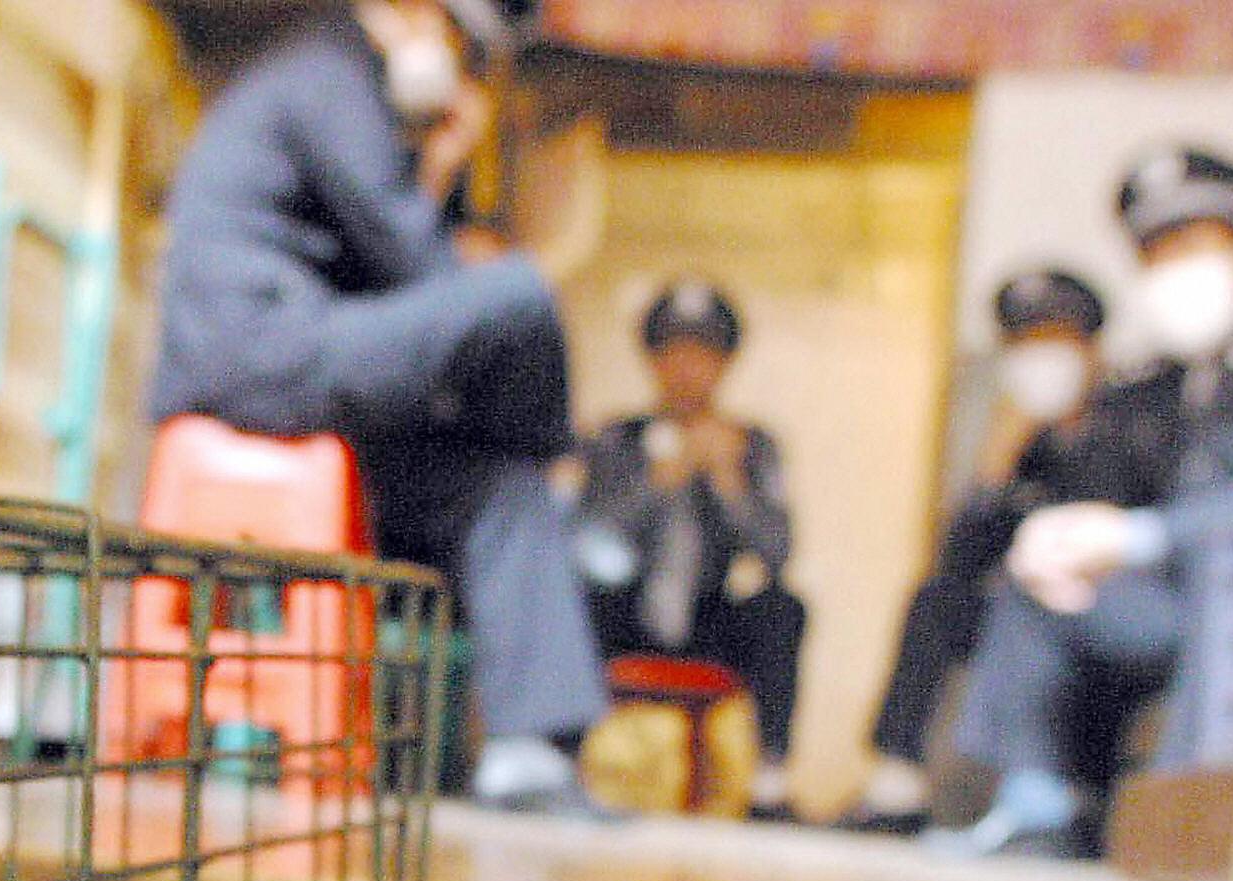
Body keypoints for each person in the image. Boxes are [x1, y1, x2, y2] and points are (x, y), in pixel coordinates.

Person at [148, 0, 614, 817]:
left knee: (493, 482)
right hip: (260, 352)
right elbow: (421, 268)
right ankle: (556, 463)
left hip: (312, 357)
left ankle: (529, 752)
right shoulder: (328, 74)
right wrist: (445, 156)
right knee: (519, 295)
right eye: (460, 42)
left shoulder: (343, 88)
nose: (463, 67)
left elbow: (391, 279)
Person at [939, 145, 1233, 856]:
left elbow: (1172, 528)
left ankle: (1196, 821)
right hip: (1168, 611)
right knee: (1039, 583)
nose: (1173, 269)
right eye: (1154, 252)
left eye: (1192, 242)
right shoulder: (1162, 389)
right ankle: (1037, 804)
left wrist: (1140, 536)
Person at [835, 269, 1175, 834]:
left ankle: (1042, 796)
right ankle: (899, 781)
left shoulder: (1136, 421)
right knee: (936, 601)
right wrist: (994, 473)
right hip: (1030, 604)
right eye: (1024, 345)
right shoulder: (1026, 441)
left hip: (1120, 600)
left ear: (1089, 348)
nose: (1039, 359)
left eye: (1053, 342)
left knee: (1035, 602)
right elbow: (959, 562)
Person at [576, 281, 805, 819]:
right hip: (625, 611)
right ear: (652, 360)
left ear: (725, 363)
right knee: (573, 598)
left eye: (703, 353)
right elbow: (590, 551)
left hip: (710, 617)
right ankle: (559, 753)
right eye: (674, 351)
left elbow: (777, 555)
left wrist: (729, 484)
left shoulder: (752, 445)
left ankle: (770, 780)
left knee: (782, 608)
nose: (687, 368)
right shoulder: (616, 440)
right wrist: (659, 483)